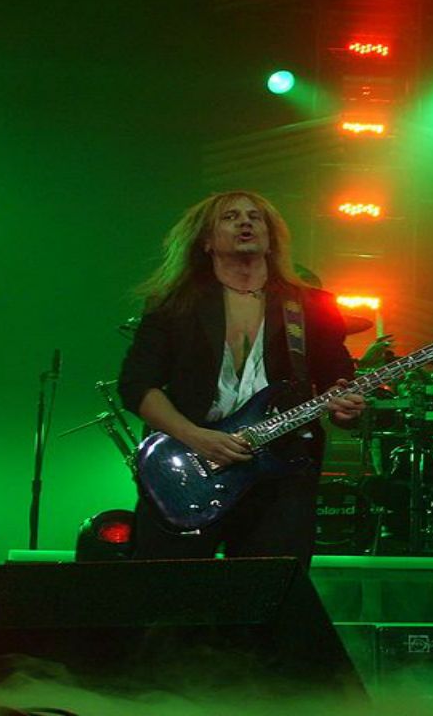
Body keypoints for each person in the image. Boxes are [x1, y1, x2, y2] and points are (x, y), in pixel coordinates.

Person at [118, 190, 366, 567]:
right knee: (168, 590)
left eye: (255, 216)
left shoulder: (312, 305)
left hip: (280, 469)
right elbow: (137, 385)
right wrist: (196, 437)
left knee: (270, 588)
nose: (245, 222)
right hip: (189, 466)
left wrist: (345, 406)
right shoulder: (174, 303)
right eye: (230, 217)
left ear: (271, 237)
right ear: (206, 240)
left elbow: (338, 377)